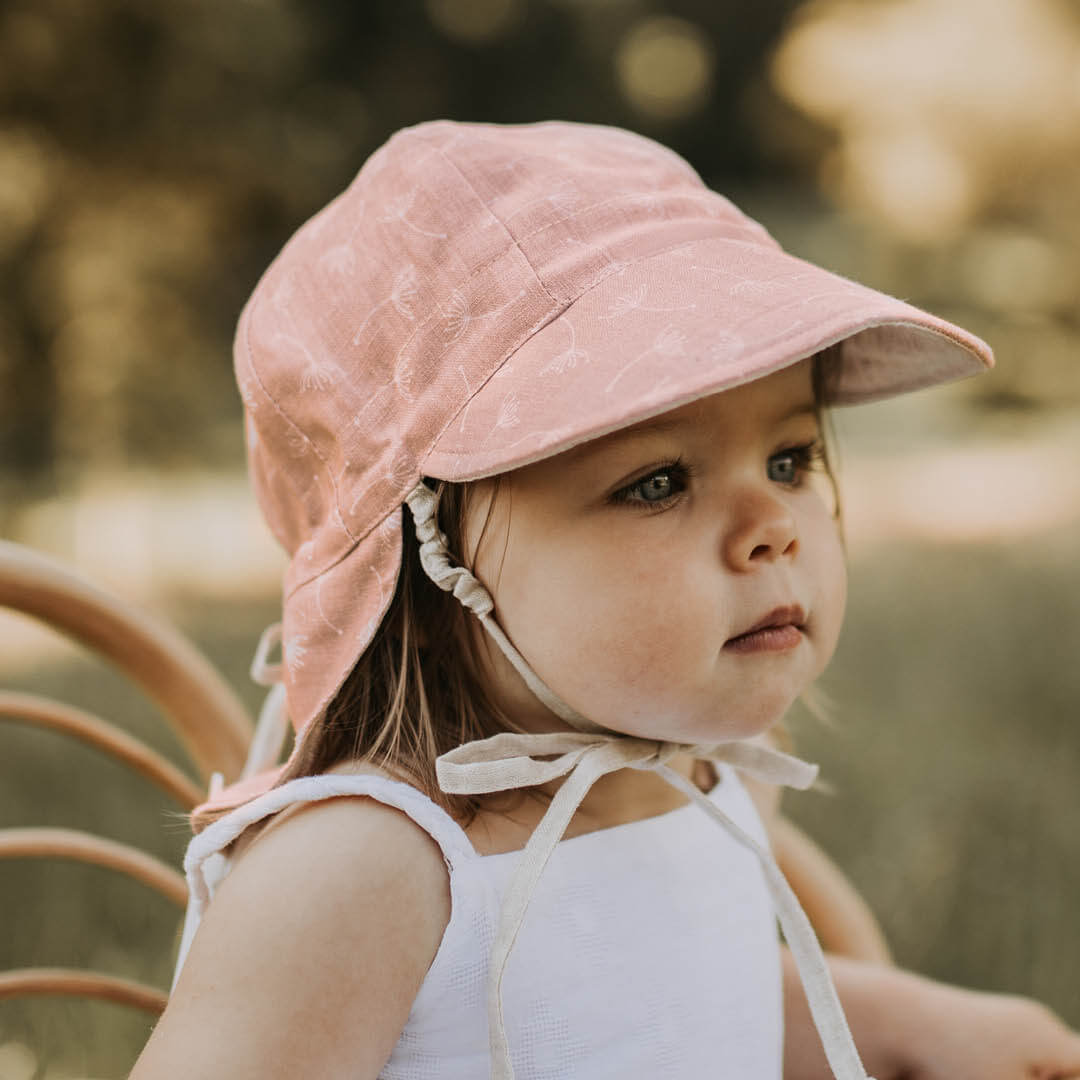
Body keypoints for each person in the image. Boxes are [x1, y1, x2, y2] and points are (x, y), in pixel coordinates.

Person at [130, 120, 1080, 1080]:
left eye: (789, 459)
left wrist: (915, 1027)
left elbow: (676, 1015)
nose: (775, 526)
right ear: (422, 558)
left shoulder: (712, 784)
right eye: (659, 481)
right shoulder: (367, 869)